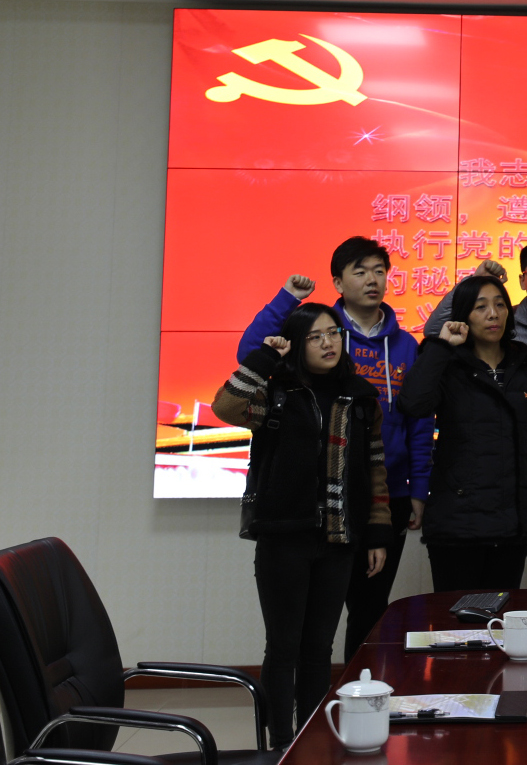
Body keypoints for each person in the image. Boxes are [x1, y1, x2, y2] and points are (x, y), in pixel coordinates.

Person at [235, 236, 431, 659]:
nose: (372, 280)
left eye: (379, 271)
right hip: (322, 496)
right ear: (338, 282)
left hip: (383, 493)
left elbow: (419, 420)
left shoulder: (405, 346)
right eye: (360, 272)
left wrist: (418, 488)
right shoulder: (317, 332)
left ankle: (360, 690)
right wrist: (287, 299)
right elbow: (250, 352)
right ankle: (311, 694)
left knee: (369, 607)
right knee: (312, 616)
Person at [212, 304, 391, 749]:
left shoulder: (360, 396)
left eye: (334, 333)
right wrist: (264, 358)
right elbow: (225, 406)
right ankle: (280, 743)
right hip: (283, 538)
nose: (329, 343)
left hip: (338, 539)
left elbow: (375, 469)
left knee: (319, 649)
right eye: (315, 337)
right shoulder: (276, 393)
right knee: (284, 646)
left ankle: (311, 739)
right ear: (297, 344)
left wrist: (377, 532)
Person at [426, 241, 527, 588]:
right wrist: (472, 283)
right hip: (502, 480)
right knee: (485, 589)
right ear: (522, 279)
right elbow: (434, 331)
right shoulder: (500, 320)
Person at [398, 274, 527, 592]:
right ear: (464, 315)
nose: (493, 314)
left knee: (500, 614)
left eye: (500, 305)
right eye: (481, 307)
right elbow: (413, 404)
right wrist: (440, 346)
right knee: (456, 618)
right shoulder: (448, 362)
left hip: (511, 519)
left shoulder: (524, 363)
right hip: (456, 519)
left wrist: (519, 464)